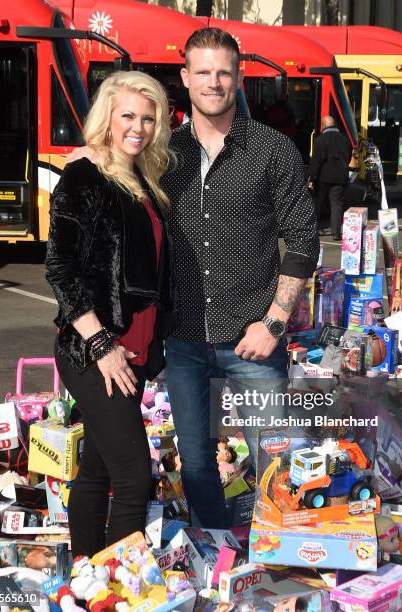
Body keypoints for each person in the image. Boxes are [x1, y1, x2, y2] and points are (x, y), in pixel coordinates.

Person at [161, 28, 320, 528]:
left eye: (223, 72)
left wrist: (273, 323)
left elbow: (303, 240)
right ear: (185, 78)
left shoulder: (273, 150)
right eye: (202, 72)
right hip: (183, 337)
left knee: (276, 460)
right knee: (198, 460)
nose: (213, 82)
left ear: (238, 76)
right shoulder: (162, 153)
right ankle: (216, 549)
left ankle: (278, 556)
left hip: (254, 339)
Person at [45, 71, 175, 558]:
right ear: (107, 118)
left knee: (98, 470)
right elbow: (60, 268)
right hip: (94, 350)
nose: (137, 126)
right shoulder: (85, 175)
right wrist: (101, 345)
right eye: (127, 116)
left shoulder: (145, 178)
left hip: (134, 352)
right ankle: (121, 585)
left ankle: (85, 572)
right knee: (133, 474)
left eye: (147, 117)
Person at [308, 115, 352, 241]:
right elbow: (348, 157)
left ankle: (313, 230)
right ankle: (336, 233)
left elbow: (316, 162)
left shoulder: (320, 140)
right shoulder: (345, 139)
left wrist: (311, 178)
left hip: (322, 178)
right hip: (340, 177)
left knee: (318, 203)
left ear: (323, 126)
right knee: (337, 204)